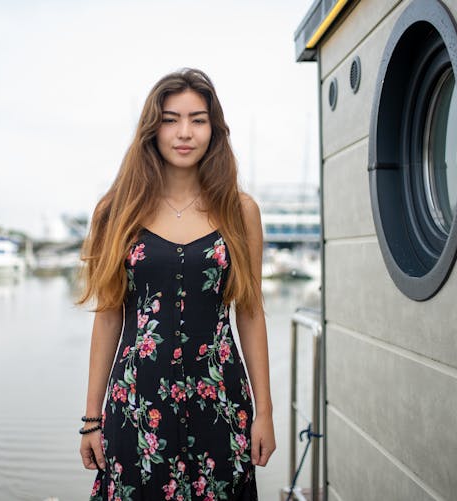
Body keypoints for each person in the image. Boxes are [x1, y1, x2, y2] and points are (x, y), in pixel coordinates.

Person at [78, 68, 275, 501]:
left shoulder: (241, 212)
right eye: (171, 119)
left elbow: (251, 311)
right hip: (136, 404)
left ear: (214, 129)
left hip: (221, 401)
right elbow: (109, 314)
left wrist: (265, 412)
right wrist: (92, 419)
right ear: (153, 128)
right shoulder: (116, 211)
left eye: (198, 119)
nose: (184, 132)